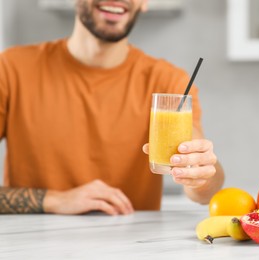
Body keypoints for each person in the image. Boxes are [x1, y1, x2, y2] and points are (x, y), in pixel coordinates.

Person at [0, 0, 224, 215]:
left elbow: (204, 190)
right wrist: (55, 200)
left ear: (144, 2)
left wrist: (200, 173)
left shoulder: (168, 81)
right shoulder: (10, 69)